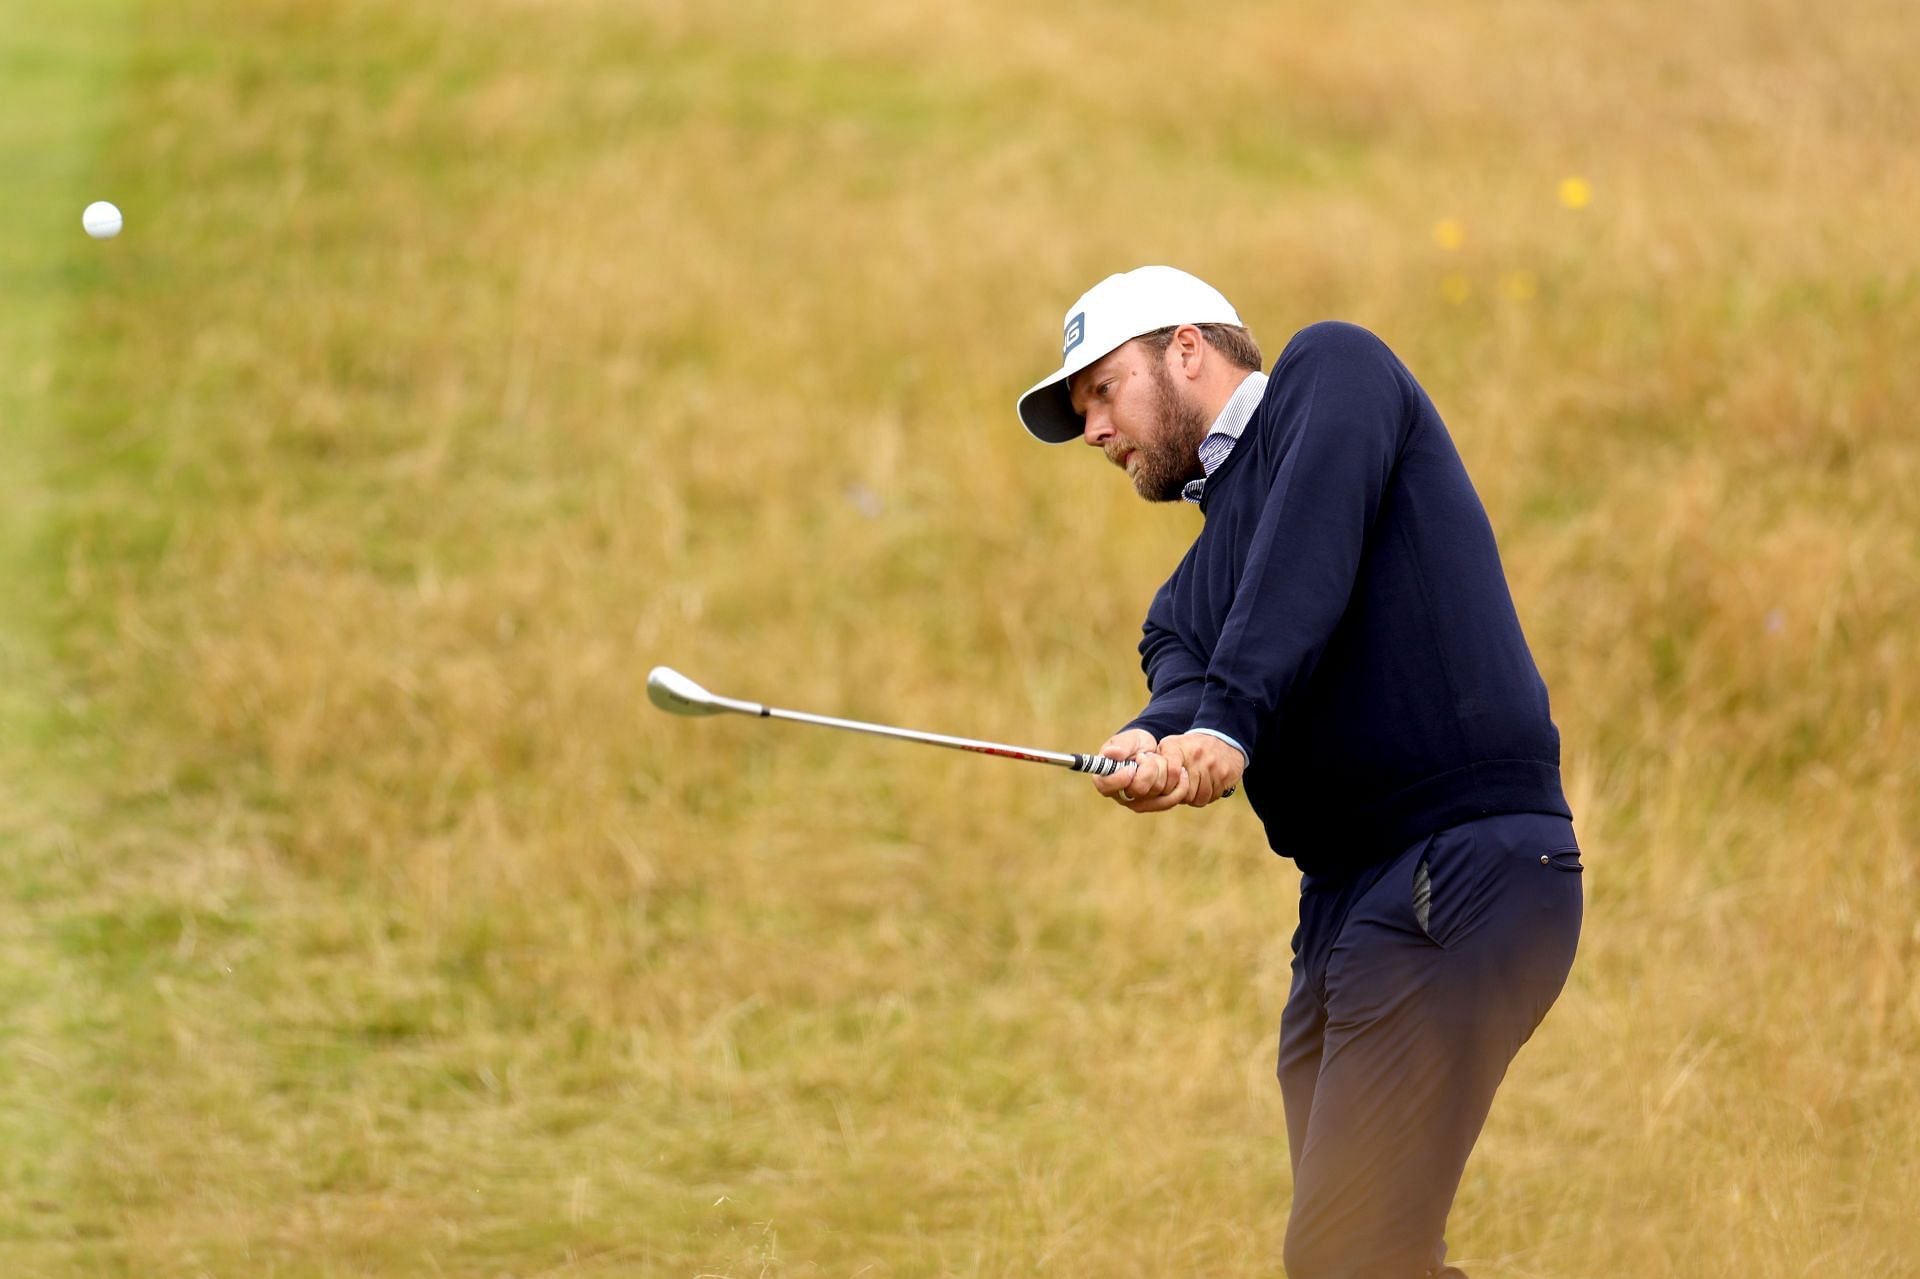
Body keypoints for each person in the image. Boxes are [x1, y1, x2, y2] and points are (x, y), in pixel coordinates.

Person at [1015, 265, 1584, 1278]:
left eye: (1102, 390)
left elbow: (1305, 546)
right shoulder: (1183, 595)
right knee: (1375, 1254)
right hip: (1346, 914)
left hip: (1459, 866)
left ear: (1185, 347)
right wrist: (1150, 745)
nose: (1094, 429)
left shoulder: (1336, 373)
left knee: (1344, 1253)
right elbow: (1183, 680)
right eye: (1081, 411)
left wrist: (1227, 727)